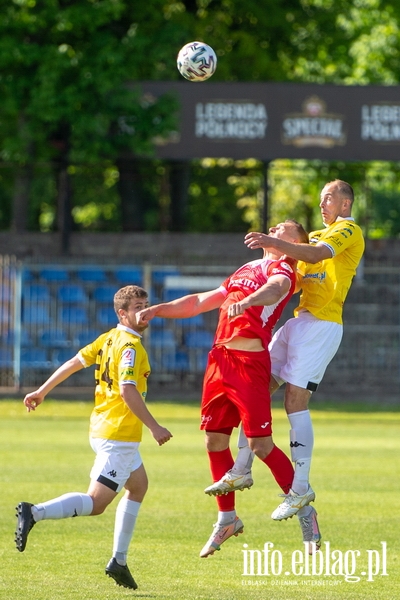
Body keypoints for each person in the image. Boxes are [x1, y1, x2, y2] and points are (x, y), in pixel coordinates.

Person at [137, 219, 309, 558]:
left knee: (260, 445)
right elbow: (201, 300)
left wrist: (247, 303)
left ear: (295, 242)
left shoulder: (285, 270)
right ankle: (227, 519)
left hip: (248, 365)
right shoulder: (247, 267)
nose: (274, 229)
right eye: (273, 227)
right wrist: (158, 309)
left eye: (282, 229)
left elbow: (274, 290)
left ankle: (306, 513)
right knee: (214, 439)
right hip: (220, 361)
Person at [208, 179, 365, 546]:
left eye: (330, 198)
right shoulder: (309, 240)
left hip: (324, 324)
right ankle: (241, 469)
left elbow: (313, 256)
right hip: (299, 322)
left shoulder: (347, 230)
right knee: (256, 393)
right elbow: (285, 282)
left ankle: (299, 488)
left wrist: (272, 241)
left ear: (345, 204)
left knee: (294, 400)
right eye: (321, 197)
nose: (324, 203)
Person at [15, 285, 173, 590]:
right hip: (119, 434)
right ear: (122, 313)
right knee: (97, 503)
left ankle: (119, 560)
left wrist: (41, 391)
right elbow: (128, 390)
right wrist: (154, 426)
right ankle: (34, 512)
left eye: (146, 304)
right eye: (137, 307)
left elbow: (74, 363)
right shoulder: (130, 346)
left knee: (138, 486)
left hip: (104, 428)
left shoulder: (107, 339)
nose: (144, 311)